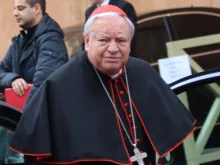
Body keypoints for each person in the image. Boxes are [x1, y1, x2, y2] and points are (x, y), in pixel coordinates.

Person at [9, 5, 196, 165]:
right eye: (104, 40)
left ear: (130, 43)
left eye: (121, 40)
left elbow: (173, 140)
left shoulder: (143, 72)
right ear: (88, 41)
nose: (113, 48)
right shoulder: (58, 85)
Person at [0, 0, 68, 163]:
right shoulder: (19, 41)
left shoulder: (51, 40)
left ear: (37, 8)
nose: (15, 13)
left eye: (21, 8)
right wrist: (12, 79)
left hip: (41, 128)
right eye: (14, 9)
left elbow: (42, 87)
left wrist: (23, 127)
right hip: (24, 124)